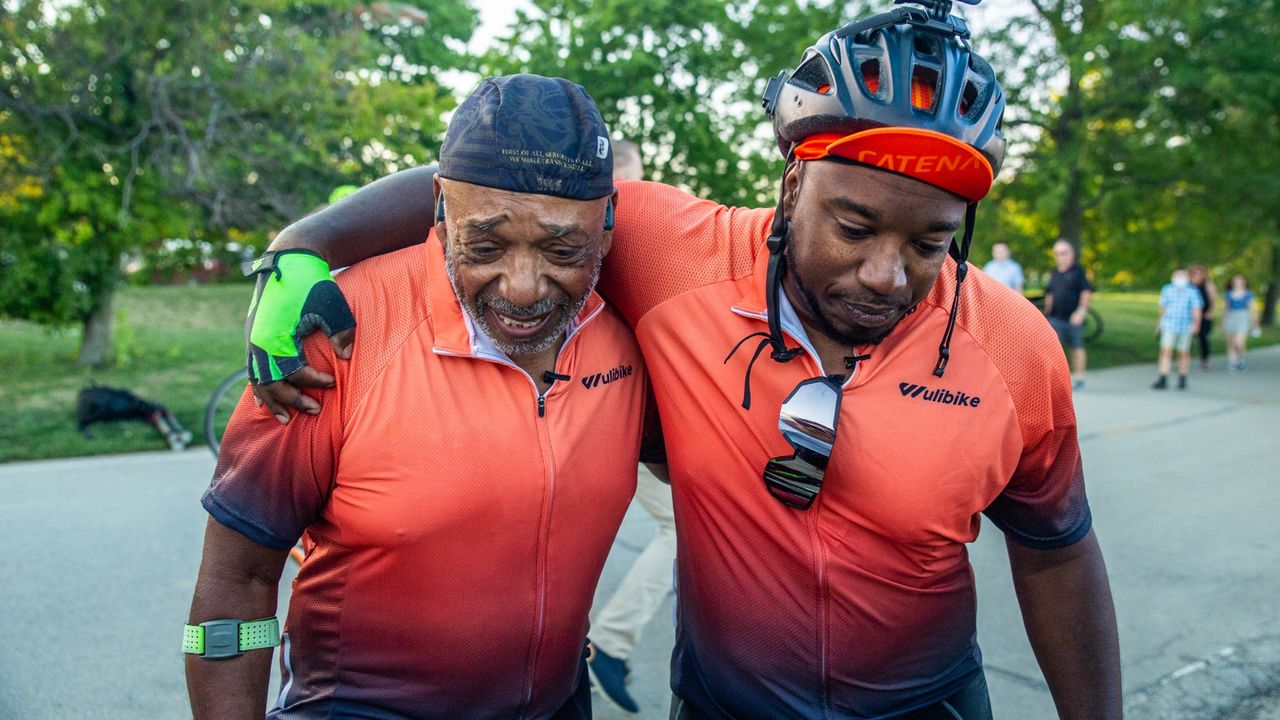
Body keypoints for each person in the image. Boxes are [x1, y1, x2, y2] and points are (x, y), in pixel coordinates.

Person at [246, 3, 1123, 718]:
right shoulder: (678, 255)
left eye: (931, 244)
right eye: (852, 227)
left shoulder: (1011, 343)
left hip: (927, 704)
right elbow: (500, 188)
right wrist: (303, 247)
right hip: (720, 705)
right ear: (790, 184)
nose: (885, 272)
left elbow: (1056, 554)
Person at [184, 74, 655, 720]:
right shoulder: (331, 332)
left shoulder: (632, 334)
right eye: (484, 245)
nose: (522, 288)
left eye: (561, 249)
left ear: (607, 226)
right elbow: (237, 580)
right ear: (439, 208)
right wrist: (296, 247)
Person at [585, 137, 676, 715]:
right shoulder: (615, 226)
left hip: (611, 407)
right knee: (687, 533)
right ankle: (607, 645)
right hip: (617, 409)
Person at [1044, 239, 1093, 389]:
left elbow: (1086, 293)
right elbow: (1050, 294)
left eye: (1064, 253)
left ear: (1071, 254)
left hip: (1073, 318)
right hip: (1055, 318)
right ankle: (1055, 380)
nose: (1061, 256)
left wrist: (1081, 312)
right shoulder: (1054, 273)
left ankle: (1079, 377)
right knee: (1053, 349)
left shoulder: (1078, 272)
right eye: (1058, 254)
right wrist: (1045, 315)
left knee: (1076, 348)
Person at [1152, 267, 1204, 390]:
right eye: (1178, 275)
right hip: (1169, 324)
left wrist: (1196, 324)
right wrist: (1159, 325)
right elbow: (1163, 308)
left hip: (1186, 326)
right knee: (1166, 351)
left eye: (1183, 276)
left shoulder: (1192, 291)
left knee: (1183, 353)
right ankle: (1163, 377)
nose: (1180, 278)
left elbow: (1196, 309)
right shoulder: (1167, 289)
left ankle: (1182, 378)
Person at [1222, 274, 1258, 373]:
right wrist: (1223, 321)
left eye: (1240, 281)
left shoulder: (1248, 294)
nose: (1237, 283)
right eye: (1235, 281)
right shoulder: (1228, 294)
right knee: (1231, 343)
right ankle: (1232, 363)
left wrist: (1254, 323)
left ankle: (1241, 358)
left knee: (1239, 342)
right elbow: (1226, 309)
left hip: (1243, 318)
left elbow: (1253, 310)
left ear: (1244, 282)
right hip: (1231, 318)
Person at [1189, 264, 1217, 369]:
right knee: (1187, 338)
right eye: (1195, 273)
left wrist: (1210, 312)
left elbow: (1214, 300)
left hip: (1204, 315)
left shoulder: (1208, 285)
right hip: (1190, 315)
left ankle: (1204, 359)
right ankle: (1185, 358)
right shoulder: (1188, 284)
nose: (1198, 275)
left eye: (1200, 273)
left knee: (1203, 338)